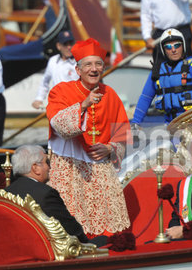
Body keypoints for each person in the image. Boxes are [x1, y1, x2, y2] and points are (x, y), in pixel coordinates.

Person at [46, 38, 130, 236]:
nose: (94, 69)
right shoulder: (61, 91)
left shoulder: (111, 95)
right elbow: (57, 125)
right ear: (78, 70)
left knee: (108, 222)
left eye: (98, 64)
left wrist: (110, 148)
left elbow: (123, 134)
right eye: (88, 65)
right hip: (69, 166)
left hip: (100, 165)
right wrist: (83, 105)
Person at [6, 144, 107, 247]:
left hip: (18, 249)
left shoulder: (6, 193)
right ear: (35, 168)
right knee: (106, 241)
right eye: (47, 162)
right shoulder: (45, 194)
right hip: (53, 252)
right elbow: (72, 231)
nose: (49, 167)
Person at [131, 28, 192, 125]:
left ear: (183, 46)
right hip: (170, 127)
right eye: (168, 47)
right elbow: (145, 98)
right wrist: (135, 123)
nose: (173, 50)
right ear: (163, 50)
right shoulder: (157, 72)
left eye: (177, 45)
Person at [31, 30, 78, 110]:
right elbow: (45, 82)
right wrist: (39, 99)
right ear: (58, 46)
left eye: (71, 43)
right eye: (65, 44)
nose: (69, 47)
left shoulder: (80, 61)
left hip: (77, 105)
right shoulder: (53, 61)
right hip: (58, 105)